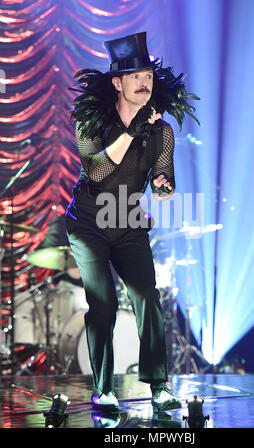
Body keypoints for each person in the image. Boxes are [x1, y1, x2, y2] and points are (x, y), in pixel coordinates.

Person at [65, 32, 199, 413]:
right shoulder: (89, 122)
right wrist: (130, 131)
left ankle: (158, 386)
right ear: (117, 83)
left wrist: (163, 186)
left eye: (149, 76)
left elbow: (162, 182)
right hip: (89, 220)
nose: (144, 82)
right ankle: (104, 388)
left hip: (127, 219)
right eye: (135, 76)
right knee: (103, 302)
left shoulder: (162, 130)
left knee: (146, 296)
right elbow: (97, 171)